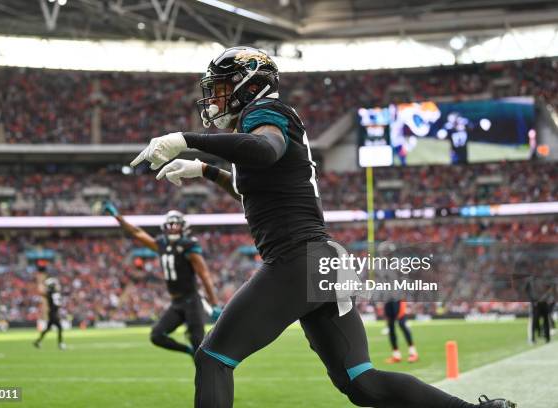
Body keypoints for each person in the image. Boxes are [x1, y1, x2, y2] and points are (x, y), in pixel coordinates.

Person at [130, 46, 516, 408]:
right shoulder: (259, 123)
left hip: (298, 260)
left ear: (250, 84)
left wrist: (185, 141)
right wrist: (206, 171)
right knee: (361, 382)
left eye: (222, 87)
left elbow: (265, 151)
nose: (215, 98)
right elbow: (260, 194)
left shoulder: (264, 112)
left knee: (213, 357)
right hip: (325, 261)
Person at [105, 203, 221, 357]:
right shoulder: (161, 244)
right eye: (170, 225)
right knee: (157, 336)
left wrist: (213, 303)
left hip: (192, 301)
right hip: (176, 303)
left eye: (176, 225)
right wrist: (117, 217)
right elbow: (137, 232)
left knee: (198, 345)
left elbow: (204, 275)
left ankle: (207, 374)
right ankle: (189, 351)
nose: (172, 228)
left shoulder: (188, 246)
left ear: (183, 227)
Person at [33, 277, 65, 350]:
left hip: (51, 312)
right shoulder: (54, 293)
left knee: (48, 329)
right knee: (60, 328)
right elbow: (57, 304)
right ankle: (60, 344)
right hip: (53, 313)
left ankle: (37, 341)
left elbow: (43, 294)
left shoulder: (50, 293)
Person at [384, 299, 418, 363]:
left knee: (402, 325)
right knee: (391, 329)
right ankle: (396, 356)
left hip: (398, 301)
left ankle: (413, 353)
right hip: (388, 301)